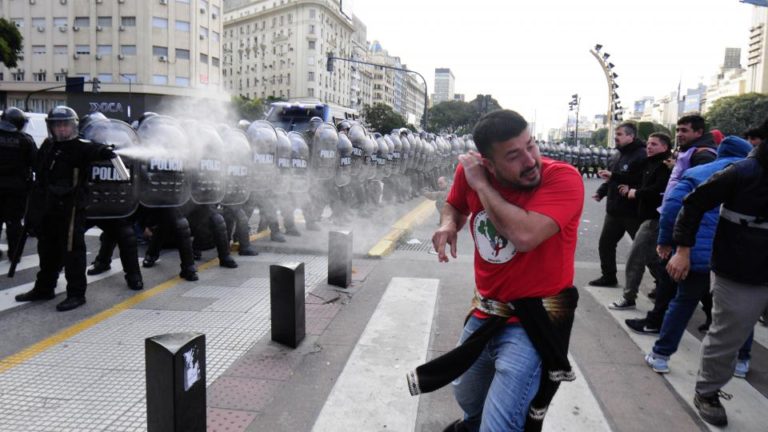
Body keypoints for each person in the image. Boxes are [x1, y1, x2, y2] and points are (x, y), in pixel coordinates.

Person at [424, 110, 584, 431]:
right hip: (484, 313)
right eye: (514, 155)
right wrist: (447, 224)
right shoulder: (469, 173)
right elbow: (454, 204)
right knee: (468, 396)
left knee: (501, 425)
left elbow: (524, 236)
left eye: (531, 145)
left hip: (532, 323)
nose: (530, 160)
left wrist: (482, 186)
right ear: (489, 162)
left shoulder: (562, 178)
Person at [668, 135, 768, 427]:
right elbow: (692, 204)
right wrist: (682, 251)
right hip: (740, 270)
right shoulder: (740, 172)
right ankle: (708, 391)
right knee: (727, 336)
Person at [643, 136, 752, 376]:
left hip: (695, 253)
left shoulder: (700, 172)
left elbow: (672, 205)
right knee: (742, 310)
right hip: (740, 257)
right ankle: (742, 362)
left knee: (682, 303)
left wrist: (666, 241)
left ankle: (661, 355)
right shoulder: (754, 175)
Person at [15, 106, 116, 311]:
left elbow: (96, 150)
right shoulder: (48, 145)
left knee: (72, 252)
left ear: (73, 126)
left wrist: (106, 150)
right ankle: (44, 288)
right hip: (48, 206)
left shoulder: (81, 146)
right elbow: (39, 171)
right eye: (57, 125)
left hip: (70, 209)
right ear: (51, 127)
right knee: (47, 250)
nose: (61, 129)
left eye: (65, 125)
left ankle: (76, 294)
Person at [625, 114, 717, 334]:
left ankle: (657, 324)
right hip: (684, 225)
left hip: (687, 227)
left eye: (684, 130)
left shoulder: (702, 157)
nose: (679, 134)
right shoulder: (691, 153)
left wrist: (673, 235)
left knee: (676, 276)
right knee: (687, 278)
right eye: (678, 130)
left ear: (698, 132)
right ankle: (709, 318)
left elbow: (694, 199)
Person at [604, 133, 672, 309]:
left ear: (665, 147)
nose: (649, 147)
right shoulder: (649, 162)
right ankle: (671, 288)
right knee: (653, 259)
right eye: (648, 143)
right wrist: (616, 179)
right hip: (646, 217)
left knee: (636, 259)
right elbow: (633, 177)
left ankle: (629, 298)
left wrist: (637, 193)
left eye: (654, 144)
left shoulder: (666, 166)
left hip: (654, 219)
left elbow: (659, 190)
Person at [589, 122, 646, 287]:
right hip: (614, 210)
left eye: (620, 134)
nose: (616, 137)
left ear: (631, 136)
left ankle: (662, 282)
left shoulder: (641, 155)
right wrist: (601, 192)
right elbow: (611, 179)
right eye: (616, 134)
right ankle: (608, 276)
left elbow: (642, 181)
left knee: (643, 249)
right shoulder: (617, 155)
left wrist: (616, 177)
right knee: (605, 245)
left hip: (632, 211)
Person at [0, 107, 37, 262]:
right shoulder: (25, 140)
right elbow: (36, 163)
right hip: (17, 188)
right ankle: (14, 254)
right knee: (14, 222)